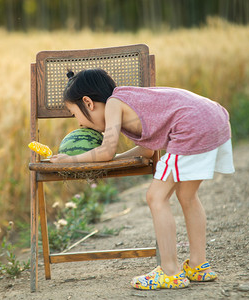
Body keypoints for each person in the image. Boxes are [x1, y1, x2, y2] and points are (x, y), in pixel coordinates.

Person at [50, 69, 235, 290]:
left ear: (88, 102)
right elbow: (147, 151)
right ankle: (198, 265)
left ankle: (170, 271)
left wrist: (70, 160)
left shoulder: (113, 104)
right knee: (187, 195)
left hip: (191, 125)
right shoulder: (129, 102)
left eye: (74, 114)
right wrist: (117, 157)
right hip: (213, 117)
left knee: (155, 197)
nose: (79, 123)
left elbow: (105, 151)